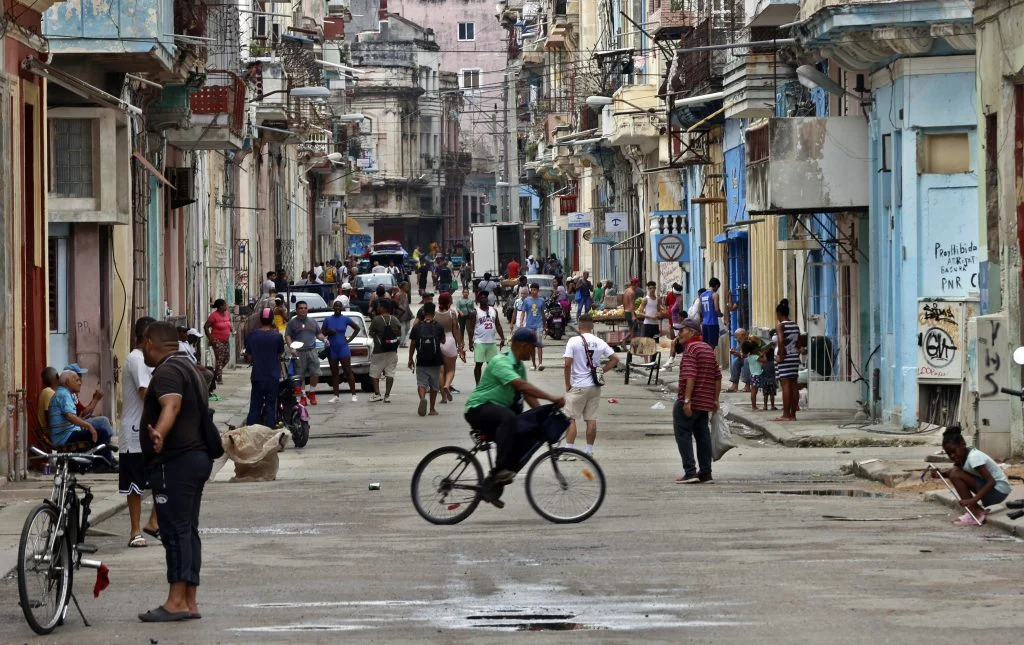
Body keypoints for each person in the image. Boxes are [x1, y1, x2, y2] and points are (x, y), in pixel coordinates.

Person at [137, 321, 214, 623]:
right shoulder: (190, 368)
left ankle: (176, 602)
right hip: (196, 459)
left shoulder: (167, 371)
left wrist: (158, 432)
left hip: (176, 463)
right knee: (188, 529)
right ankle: (190, 600)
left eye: (143, 343)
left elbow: (171, 406)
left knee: (175, 531)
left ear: (150, 343)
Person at [464, 328, 565, 502]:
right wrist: (551, 397)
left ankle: (493, 483)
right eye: (532, 348)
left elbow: (528, 395)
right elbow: (522, 386)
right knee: (509, 417)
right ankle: (500, 469)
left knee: (522, 436)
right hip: (478, 409)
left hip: (497, 414)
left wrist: (543, 416)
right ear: (523, 346)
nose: (533, 352)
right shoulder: (500, 362)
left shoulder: (518, 366)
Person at [120, 317, 160, 548]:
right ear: (147, 338)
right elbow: (146, 394)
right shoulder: (136, 360)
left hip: (148, 429)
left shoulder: (149, 361)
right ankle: (135, 530)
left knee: (161, 476)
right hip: (135, 430)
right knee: (134, 484)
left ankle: (154, 522)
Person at [562, 315, 619, 458]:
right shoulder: (599, 342)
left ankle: (569, 450)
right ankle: (588, 451)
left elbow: (567, 363)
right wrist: (601, 371)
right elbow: (615, 359)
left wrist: (568, 384)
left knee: (571, 418)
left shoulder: (573, 341)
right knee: (591, 419)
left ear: (579, 326)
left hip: (578, 385)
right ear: (592, 326)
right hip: (594, 386)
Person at [673, 318, 722, 484]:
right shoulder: (707, 348)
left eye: (682, 330)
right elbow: (717, 376)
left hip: (691, 401)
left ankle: (690, 472)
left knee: (683, 434)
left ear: (692, 332)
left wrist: (687, 400)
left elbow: (690, 375)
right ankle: (706, 472)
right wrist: (715, 400)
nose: (679, 334)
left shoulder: (691, 349)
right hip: (705, 402)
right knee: (702, 435)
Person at [937, 426, 1012, 526]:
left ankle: (976, 512)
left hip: (998, 491)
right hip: (994, 490)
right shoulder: (963, 456)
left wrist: (974, 500)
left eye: (954, 451)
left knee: (955, 473)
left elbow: (991, 481)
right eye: (948, 454)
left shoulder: (973, 457)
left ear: (963, 444)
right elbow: (951, 473)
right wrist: (939, 474)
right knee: (954, 472)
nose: (952, 456)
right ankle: (975, 511)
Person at [48, 370, 117, 468]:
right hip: (64, 436)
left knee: (100, 430)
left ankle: (106, 460)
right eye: (76, 380)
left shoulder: (64, 393)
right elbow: (70, 416)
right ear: (67, 382)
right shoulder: (64, 395)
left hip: (66, 433)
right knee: (102, 433)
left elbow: (74, 416)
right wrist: (89, 426)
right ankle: (102, 465)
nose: (80, 383)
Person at [244, 307, 285, 426]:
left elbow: (249, 358)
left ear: (260, 319)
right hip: (272, 376)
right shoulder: (277, 336)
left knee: (255, 406)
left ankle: (251, 430)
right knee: (271, 405)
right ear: (272, 319)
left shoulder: (252, 336)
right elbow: (279, 353)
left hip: (257, 376)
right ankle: (269, 429)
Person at [408, 302, 446, 416]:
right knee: (434, 386)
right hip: (435, 360)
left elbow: (413, 344)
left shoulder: (417, 327)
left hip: (421, 360)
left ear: (424, 313)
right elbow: (443, 341)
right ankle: (432, 409)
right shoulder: (438, 327)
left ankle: (423, 398)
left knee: (421, 383)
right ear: (434, 313)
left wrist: (410, 358)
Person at [284, 301, 325, 406]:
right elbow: (287, 336)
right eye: (301, 308)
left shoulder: (312, 321)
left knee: (315, 372)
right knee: (300, 375)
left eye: (305, 308)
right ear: (297, 310)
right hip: (298, 352)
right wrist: (291, 347)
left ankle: (312, 393)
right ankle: (302, 396)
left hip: (311, 350)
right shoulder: (292, 322)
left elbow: (318, 334)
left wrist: (324, 339)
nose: (303, 310)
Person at [321, 298, 360, 403]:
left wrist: (349, 340)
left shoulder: (345, 319)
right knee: (334, 372)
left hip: (343, 347)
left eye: (339, 306)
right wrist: (329, 331)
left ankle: (354, 394)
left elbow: (357, 328)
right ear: (333, 307)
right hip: (332, 348)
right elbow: (321, 333)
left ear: (342, 308)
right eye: (336, 306)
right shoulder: (328, 319)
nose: (338, 308)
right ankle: (336, 395)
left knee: (348, 370)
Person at [467, 290, 506, 384]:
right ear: (478, 300)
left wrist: (502, 338)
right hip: (479, 341)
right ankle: (478, 384)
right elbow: (471, 328)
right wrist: (470, 342)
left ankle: (491, 383)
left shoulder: (494, 311)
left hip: (491, 341)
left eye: (485, 297)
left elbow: (498, 325)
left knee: (492, 365)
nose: (484, 299)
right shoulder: (475, 312)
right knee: (479, 364)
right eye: (482, 298)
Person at [368, 299, 402, 402]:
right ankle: (387, 396)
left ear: (383, 308)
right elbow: (399, 334)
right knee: (390, 373)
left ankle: (377, 394)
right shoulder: (395, 319)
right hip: (392, 351)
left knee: (374, 373)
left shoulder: (376, 320)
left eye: (378, 306)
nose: (377, 308)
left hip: (379, 350)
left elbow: (371, 333)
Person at [774, 298, 801, 421]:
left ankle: (786, 414)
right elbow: (799, 342)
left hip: (785, 359)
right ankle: (793, 414)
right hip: (795, 357)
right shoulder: (795, 325)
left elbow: (780, 340)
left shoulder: (781, 326)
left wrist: (780, 354)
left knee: (786, 386)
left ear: (779, 314)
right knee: (794, 385)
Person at [434, 292, 462, 403]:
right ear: (449, 301)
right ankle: (447, 385)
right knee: (451, 369)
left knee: (440, 371)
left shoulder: (434, 314)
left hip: (438, 342)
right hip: (449, 341)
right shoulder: (452, 313)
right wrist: (460, 344)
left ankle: (444, 398)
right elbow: (456, 330)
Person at [204, 299, 232, 384]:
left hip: (225, 340)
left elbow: (229, 322)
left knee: (226, 358)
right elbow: (206, 326)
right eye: (224, 305)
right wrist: (210, 338)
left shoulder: (227, 314)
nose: (226, 307)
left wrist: (232, 329)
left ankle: (214, 373)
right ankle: (219, 378)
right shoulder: (214, 316)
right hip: (216, 340)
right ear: (220, 307)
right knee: (219, 358)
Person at [519, 283, 546, 371]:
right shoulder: (526, 301)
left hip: (539, 325)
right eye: (532, 289)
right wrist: (521, 322)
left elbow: (543, 313)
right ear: (530, 290)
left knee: (539, 344)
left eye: (535, 290)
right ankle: (534, 364)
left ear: (538, 290)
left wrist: (545, 325)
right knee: (531, 346)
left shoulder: (541, 301)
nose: (533, 291)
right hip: (529, 326)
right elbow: (523, 312)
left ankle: (540, 363)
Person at [728, 328, 761, 393]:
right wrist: (735, 353)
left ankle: (747, 386)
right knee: (736, 362)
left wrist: (739, 354)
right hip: (748, 358)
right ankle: (735, 385)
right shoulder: (740, 341)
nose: (736, 338)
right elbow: (742, 354)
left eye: (737, 336)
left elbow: (751, 354)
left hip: (756, 359)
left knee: (746, 361)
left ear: (743, 335)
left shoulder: (751, 340)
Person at [698, 277, 724, 349]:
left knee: (705, 345)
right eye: (717, 287)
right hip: (712, 323)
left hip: (705, 324)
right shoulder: (714, 295)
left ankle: (705, 359)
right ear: (716, 286)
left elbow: (700, 310)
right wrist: (720, 314)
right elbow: (716, 309)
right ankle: (709, 359)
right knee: (712, 346)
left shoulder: (702, 295)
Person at [37, 366, 59, 431]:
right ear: (56, 377)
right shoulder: (48, 392)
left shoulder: (48, 391)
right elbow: (49, 415)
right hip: (51, 432)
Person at [395, 281, 413, 347]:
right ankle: (402, 343)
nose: (408, 287)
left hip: (407, 313)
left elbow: (407, 304)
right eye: (407, 286)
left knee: (408, 327)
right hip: (401, 314)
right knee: (402, 327)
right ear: (403, 287)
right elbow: (396, 305)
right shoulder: (398, 294)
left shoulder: (406, 294)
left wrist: (410, 312)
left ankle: (401, 339)